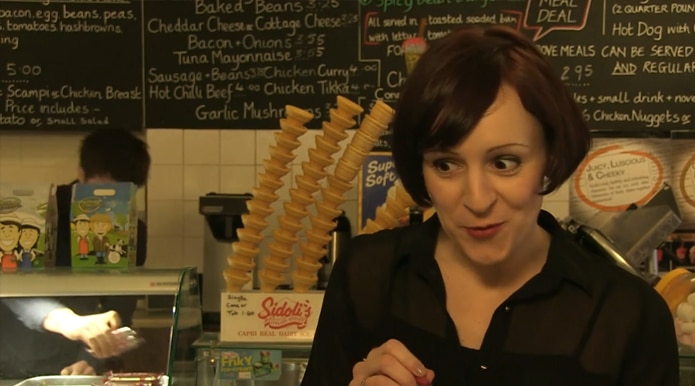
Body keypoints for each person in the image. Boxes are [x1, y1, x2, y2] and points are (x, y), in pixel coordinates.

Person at [301, 26, 679, 386]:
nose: (477, 200)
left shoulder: (630, 316)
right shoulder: (367, 276)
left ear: (550, 156)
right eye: (446, 165)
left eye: (504, 163)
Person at [0, 128, 151, 378]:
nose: (111, 206)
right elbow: (11, 289)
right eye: (103, 191)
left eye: (123, 195)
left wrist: (91, 360)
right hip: (10, 361)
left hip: (71, 368)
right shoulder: (36, 214)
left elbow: (119, 307)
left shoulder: (133, 228)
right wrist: (70, 322)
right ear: (81, 174)